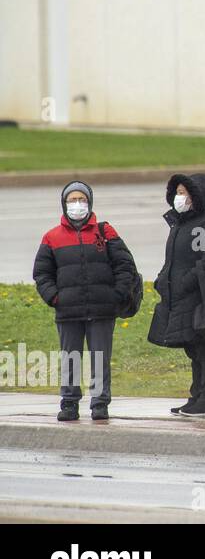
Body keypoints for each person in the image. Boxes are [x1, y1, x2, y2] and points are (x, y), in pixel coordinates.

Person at [33, 181, 139, 422]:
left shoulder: (106, 232)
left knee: (99, 357)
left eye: (81, 199)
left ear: (89, 202)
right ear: (64, 203)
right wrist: (54, 297)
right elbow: (42, 273)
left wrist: (117, 294)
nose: (77, 204)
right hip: (67, 309)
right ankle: (69, 403)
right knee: (70, 357)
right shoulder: (51, 237)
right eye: (72, 200)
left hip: (102, 309)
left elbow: (125, 265)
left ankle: (100, 403)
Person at [148, 173, 205, 418]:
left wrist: (182, 283)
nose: (179, 198)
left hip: (198, 297)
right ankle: (196, 397)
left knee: (203, 347)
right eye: (178, 193)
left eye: (184, 193)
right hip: (178, 296)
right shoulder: (179, 223)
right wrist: (162, 281)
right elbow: (172, 259)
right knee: (192, 349)